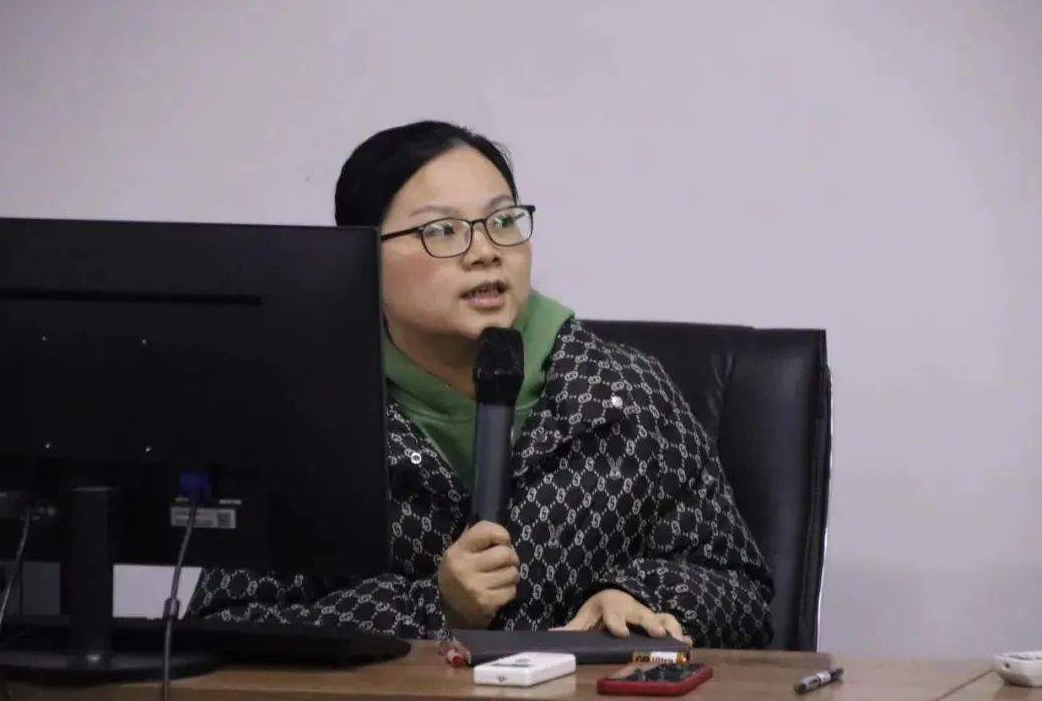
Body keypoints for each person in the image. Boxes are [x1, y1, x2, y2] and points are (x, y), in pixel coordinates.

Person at [188, 121, 774, 647]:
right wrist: (433, 607)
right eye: (442, 230)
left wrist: (636, 598)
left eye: (503, 221)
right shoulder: (308, 415)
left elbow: (742, 590)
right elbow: (229, 626)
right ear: (360, 257)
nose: (486, 252)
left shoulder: (623, 392)